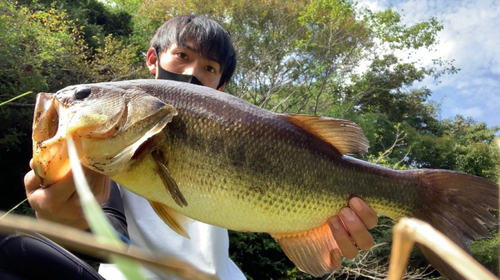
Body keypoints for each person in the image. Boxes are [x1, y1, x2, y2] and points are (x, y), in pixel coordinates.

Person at [22, 15, 378, 279]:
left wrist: (315, 230)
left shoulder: (236, 131)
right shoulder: (107, 152)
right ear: (152, 59)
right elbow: (111, 233)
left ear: (220, 86)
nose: (192, 72)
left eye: (208, 67)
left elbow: (259, 210)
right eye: (182, 56)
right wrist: (68, 221)